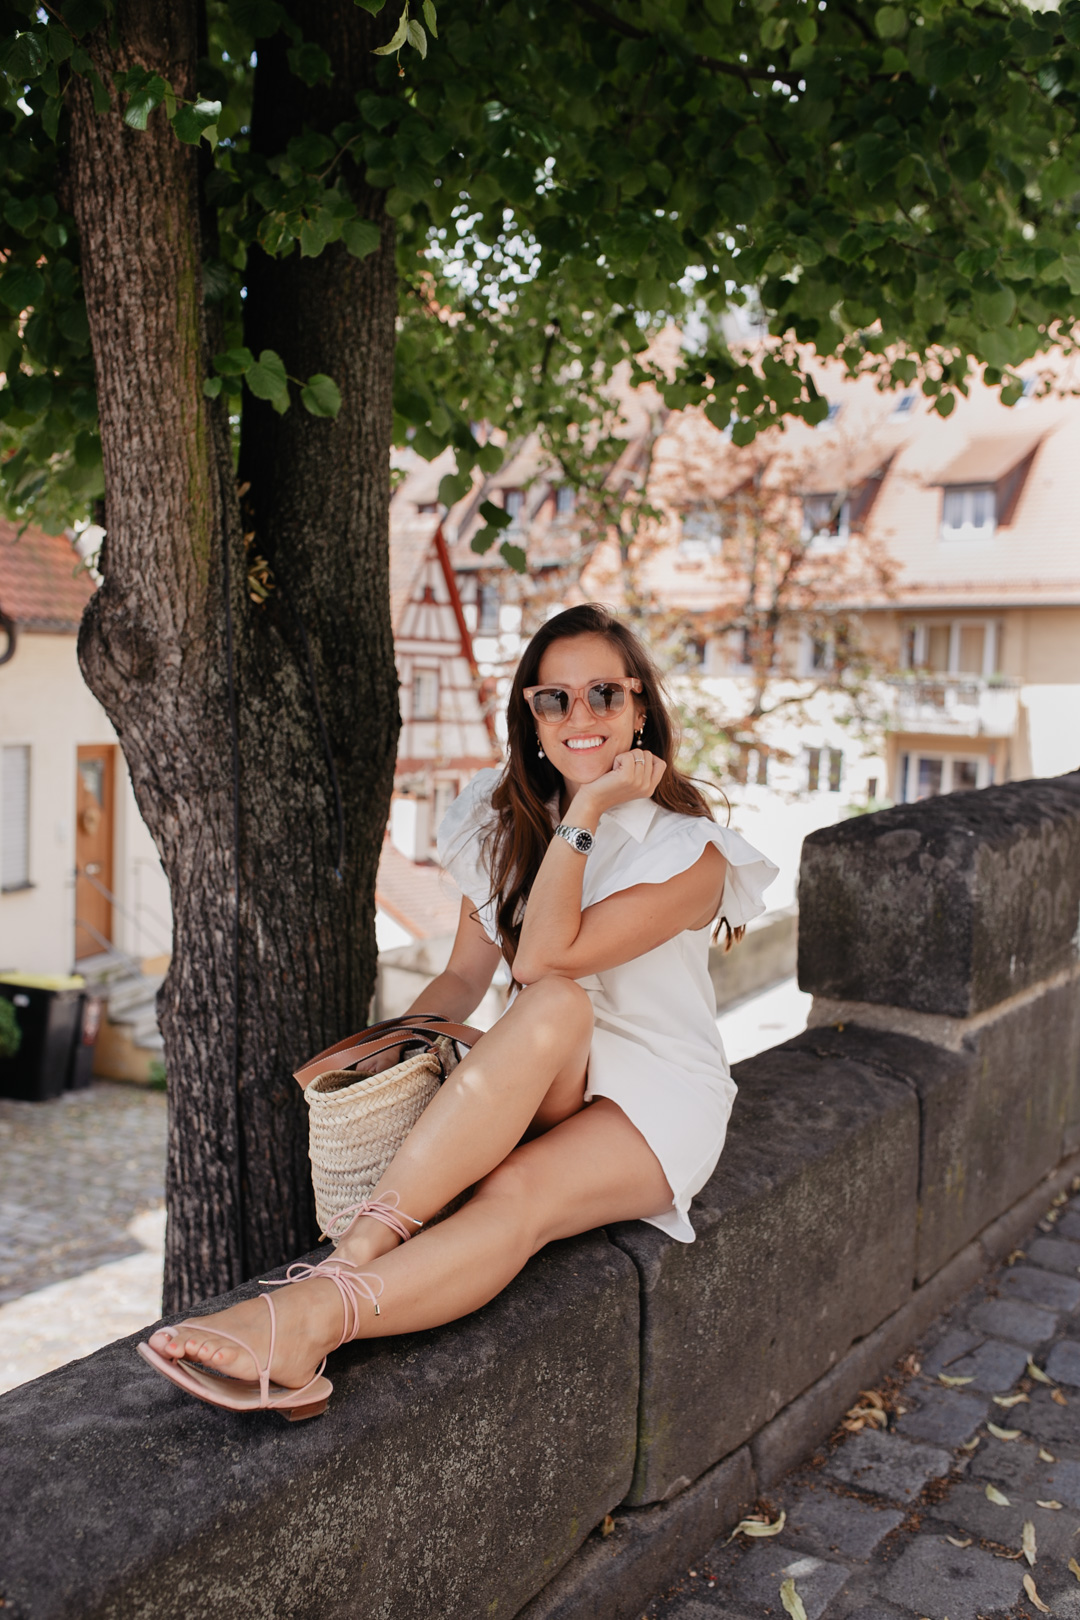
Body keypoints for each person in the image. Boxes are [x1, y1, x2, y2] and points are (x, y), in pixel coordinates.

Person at [138, 604, 777, 1417]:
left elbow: (545, 958)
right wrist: (392, 1055)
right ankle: (355, 1254)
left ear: (640, 708)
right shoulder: (499, 817)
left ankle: (313, 1316)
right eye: (555, 700)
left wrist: (586, 812)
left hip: (655, 1097)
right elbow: (465, 977)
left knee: (519, 1172)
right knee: (550, 1015)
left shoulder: (690, 852)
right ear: (530, 716)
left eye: (604, 696)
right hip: (545, 1069)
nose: (580, 717)